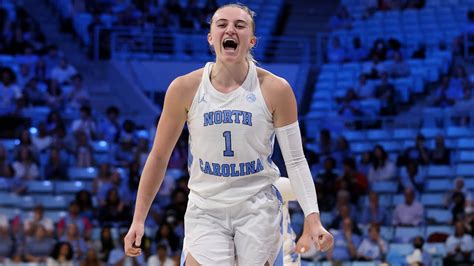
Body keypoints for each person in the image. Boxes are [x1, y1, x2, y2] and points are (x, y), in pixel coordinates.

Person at [124, 3, 333, 265]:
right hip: (205, 205)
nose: (230, 29)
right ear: (211, 38)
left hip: (256, 206)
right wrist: (138, 219)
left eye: (239, 25)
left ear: (252, 40)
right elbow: (158, 157)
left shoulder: (276, 89)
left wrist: (313, 219)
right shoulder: (184, 88)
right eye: (222, 24)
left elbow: (296, 160)